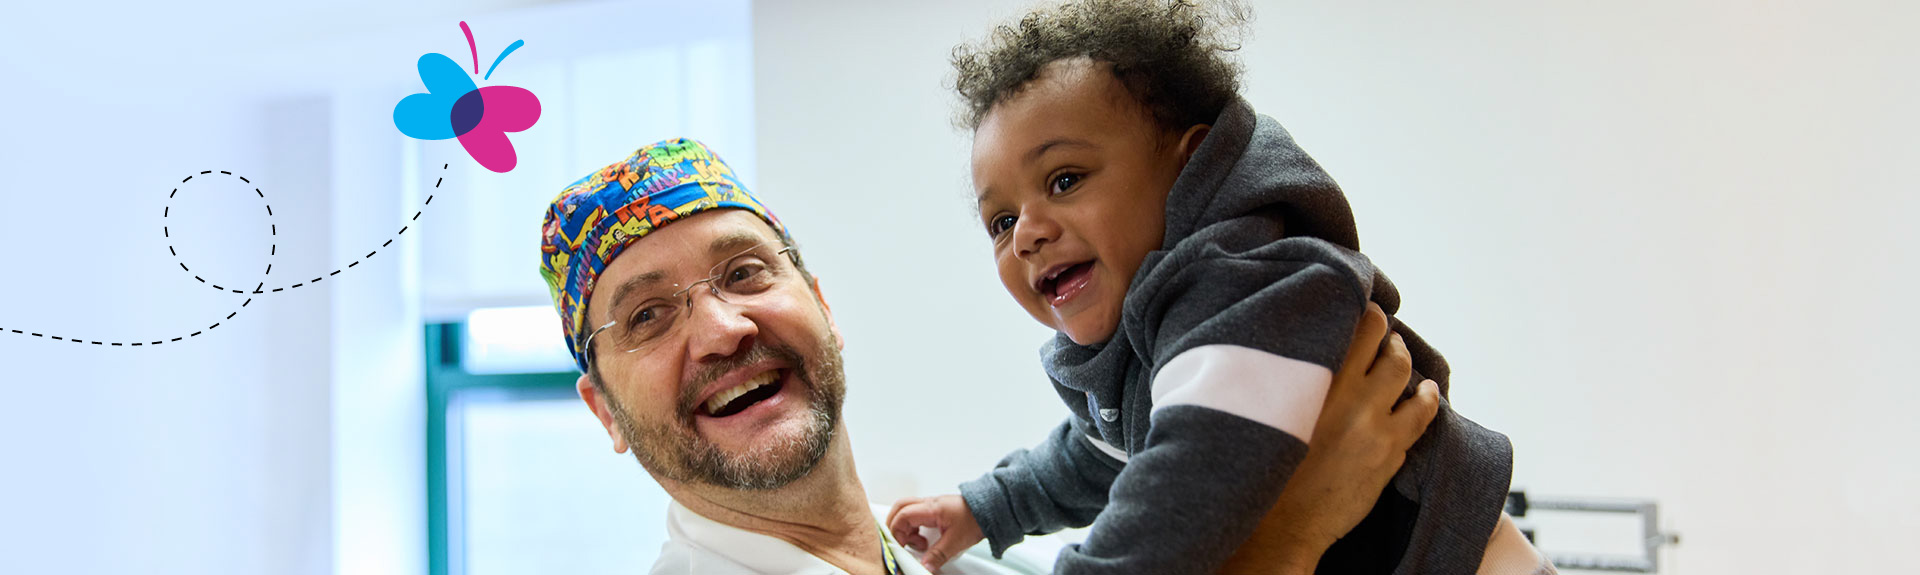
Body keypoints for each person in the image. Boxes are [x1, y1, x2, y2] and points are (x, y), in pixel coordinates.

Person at [538, 138, 1440, 574]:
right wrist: (1288, 536)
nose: (724, 329)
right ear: (604, 410)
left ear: (822, 306)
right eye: (648, 316)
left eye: (745, 271)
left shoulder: (949, 558)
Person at [884, 1, 1553, 574]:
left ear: (1189, 168)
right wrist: (989, 505)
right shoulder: (1151, 351)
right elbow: (1099, 453)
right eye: (1000, 221)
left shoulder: (1251, 284)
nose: (1027, 232)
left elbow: (1182, 480)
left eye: (1064, 180)